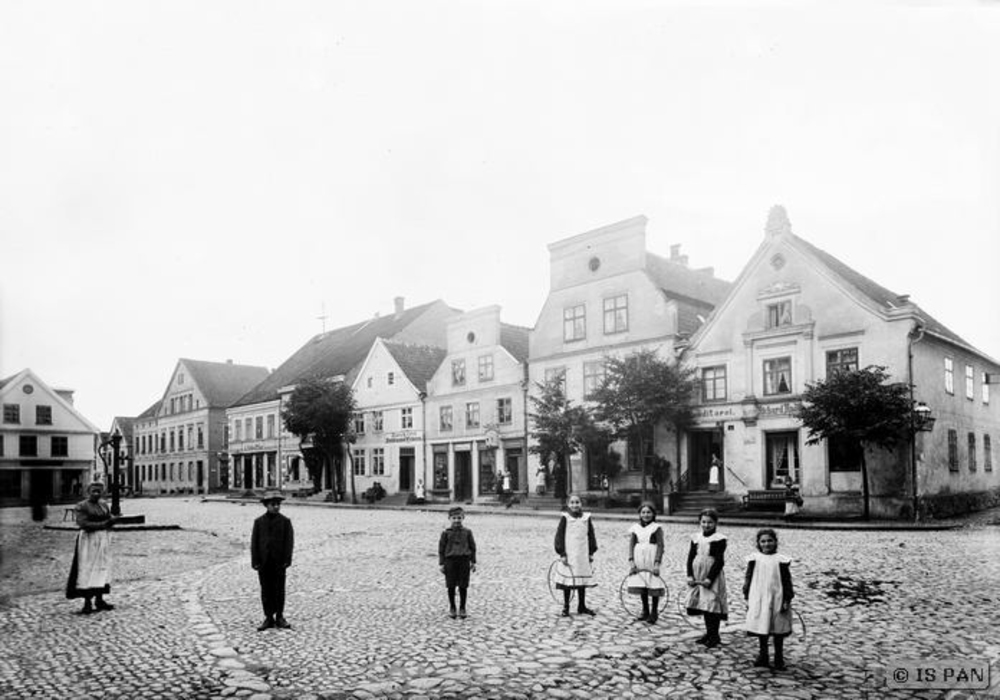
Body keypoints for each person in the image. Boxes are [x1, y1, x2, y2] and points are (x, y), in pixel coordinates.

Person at [743, 528, 794, 670]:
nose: (766, 544)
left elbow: (786, 581)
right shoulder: (754, 559)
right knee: (762, 626)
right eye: (763, 541)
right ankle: (763, 655)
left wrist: (787, 599)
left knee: (778, 628)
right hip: (759, 597)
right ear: (758, 543)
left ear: (775, 542)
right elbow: (748, 578)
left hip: (776, 597)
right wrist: (747, 596)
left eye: (770, 541)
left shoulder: (781, 561)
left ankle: (779, 658)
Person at [65, 482, 119, 614]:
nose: (96, 494)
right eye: (93, 491)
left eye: (99, 491)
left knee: (101, 567)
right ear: (88, 492)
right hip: (88, 540)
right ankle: (87, 602)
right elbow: (83, 523)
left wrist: (113, 519)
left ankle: (99, 599)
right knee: (88, 568)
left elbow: (108, 516)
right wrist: (104, 523)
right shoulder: (82, 506)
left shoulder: (103, 505)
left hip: (102, 539)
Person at [251, 489, 294, 631]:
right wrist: (255, 560)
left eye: (278, 504)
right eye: (273, 504)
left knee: (279, 589)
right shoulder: (259, 522)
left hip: (279, 562)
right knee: (266, 590)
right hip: (264, 562)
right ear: (266, 505)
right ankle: (268, 617)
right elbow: (254, 543)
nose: (276, 506)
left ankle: (280, 616)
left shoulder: (285, 522)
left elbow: (289, 542)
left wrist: (287, 559)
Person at [685, 508, 728, 648]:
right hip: (698, 572)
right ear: (699, 522)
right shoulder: (696, 538)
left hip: (711, 575)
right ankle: (708, 633)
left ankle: (714, 635)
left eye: (710, 522)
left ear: (715, 523)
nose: (706, 525)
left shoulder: (719, 539)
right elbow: (690, 557)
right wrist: (690, 575)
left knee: (712, 604)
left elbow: (719, 561)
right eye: (703, 522)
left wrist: (710, 578)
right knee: (703, 604)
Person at [553, 493, 598, 617]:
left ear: (581, 504)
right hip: (569, 554)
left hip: (582, 554)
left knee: (581, 580)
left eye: (577, 502)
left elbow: (591, 535)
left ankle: (581, 605)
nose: (575, 505)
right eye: (572, 502)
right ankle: (566, 606)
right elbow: (559, 536)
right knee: (568, 580)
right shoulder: (566, 517)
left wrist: (591, 552)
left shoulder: (586, 518)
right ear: (568, 504)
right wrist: (562, 553)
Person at [626, 501, 665, 624]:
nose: (646, 515)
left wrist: (657, 563)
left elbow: (660, 545)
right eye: (643, 512)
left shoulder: (656, 528)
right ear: (639, 514)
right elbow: (631, 544)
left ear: (653, 514)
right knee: (642, 583)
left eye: (649, 512)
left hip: (651, 558)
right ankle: (645, 610)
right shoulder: (635, 528)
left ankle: (654, 611)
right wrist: (631, 560)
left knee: (653, 583)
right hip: (639, 558)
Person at [438, 506, 477, 619]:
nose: (456, 520)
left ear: (463, 518)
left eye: (459, 518)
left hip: (464, 561)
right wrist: (441, 563)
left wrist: (473, 562)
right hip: (450, 561)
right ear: (449, 518)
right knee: (451, 585)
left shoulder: (467, 532)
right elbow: (441, 549)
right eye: (454, 518)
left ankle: (463, 608)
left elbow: (472, 547)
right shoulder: (446, 533)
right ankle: (452, 607)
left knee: (463, 586)